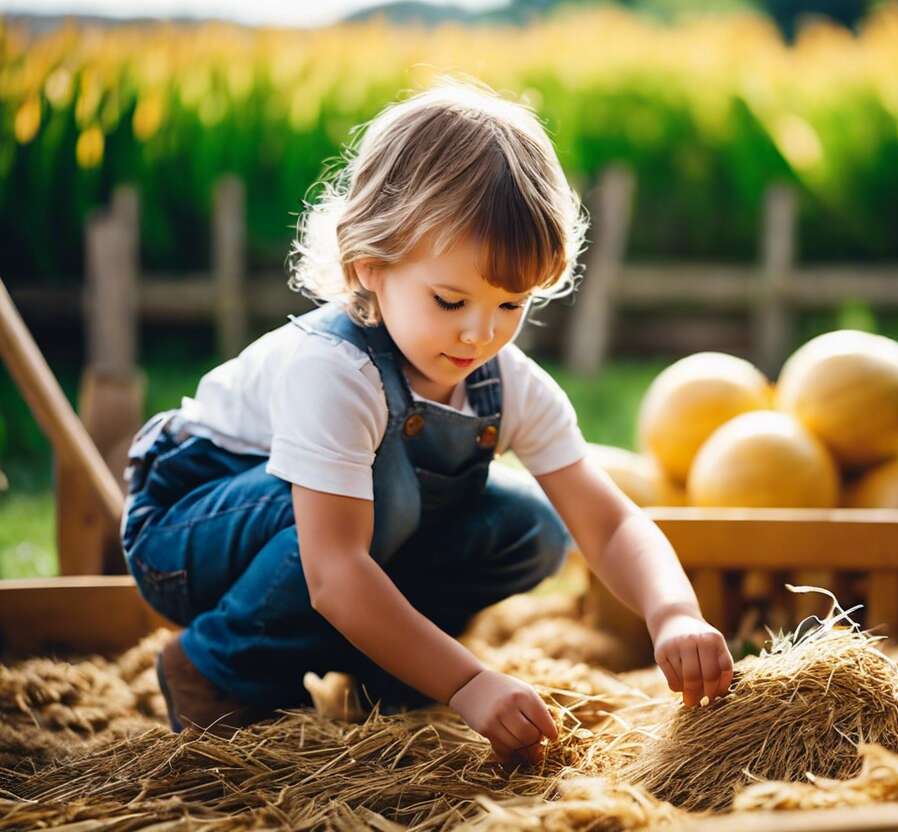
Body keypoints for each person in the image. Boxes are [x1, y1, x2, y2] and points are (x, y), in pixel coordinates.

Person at [121, 80, 734, 765]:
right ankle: (214, 667)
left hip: (340, 537)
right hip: (187, 535)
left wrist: (673, 611)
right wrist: (470, 682)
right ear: (370, 267)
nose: (480, 333)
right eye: (450, 300)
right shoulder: (334, 370)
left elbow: (610, 521)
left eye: (511, 304)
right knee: (383, 500)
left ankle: (388, 671)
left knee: (529, 525)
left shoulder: (504, 380)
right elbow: (335, 571)